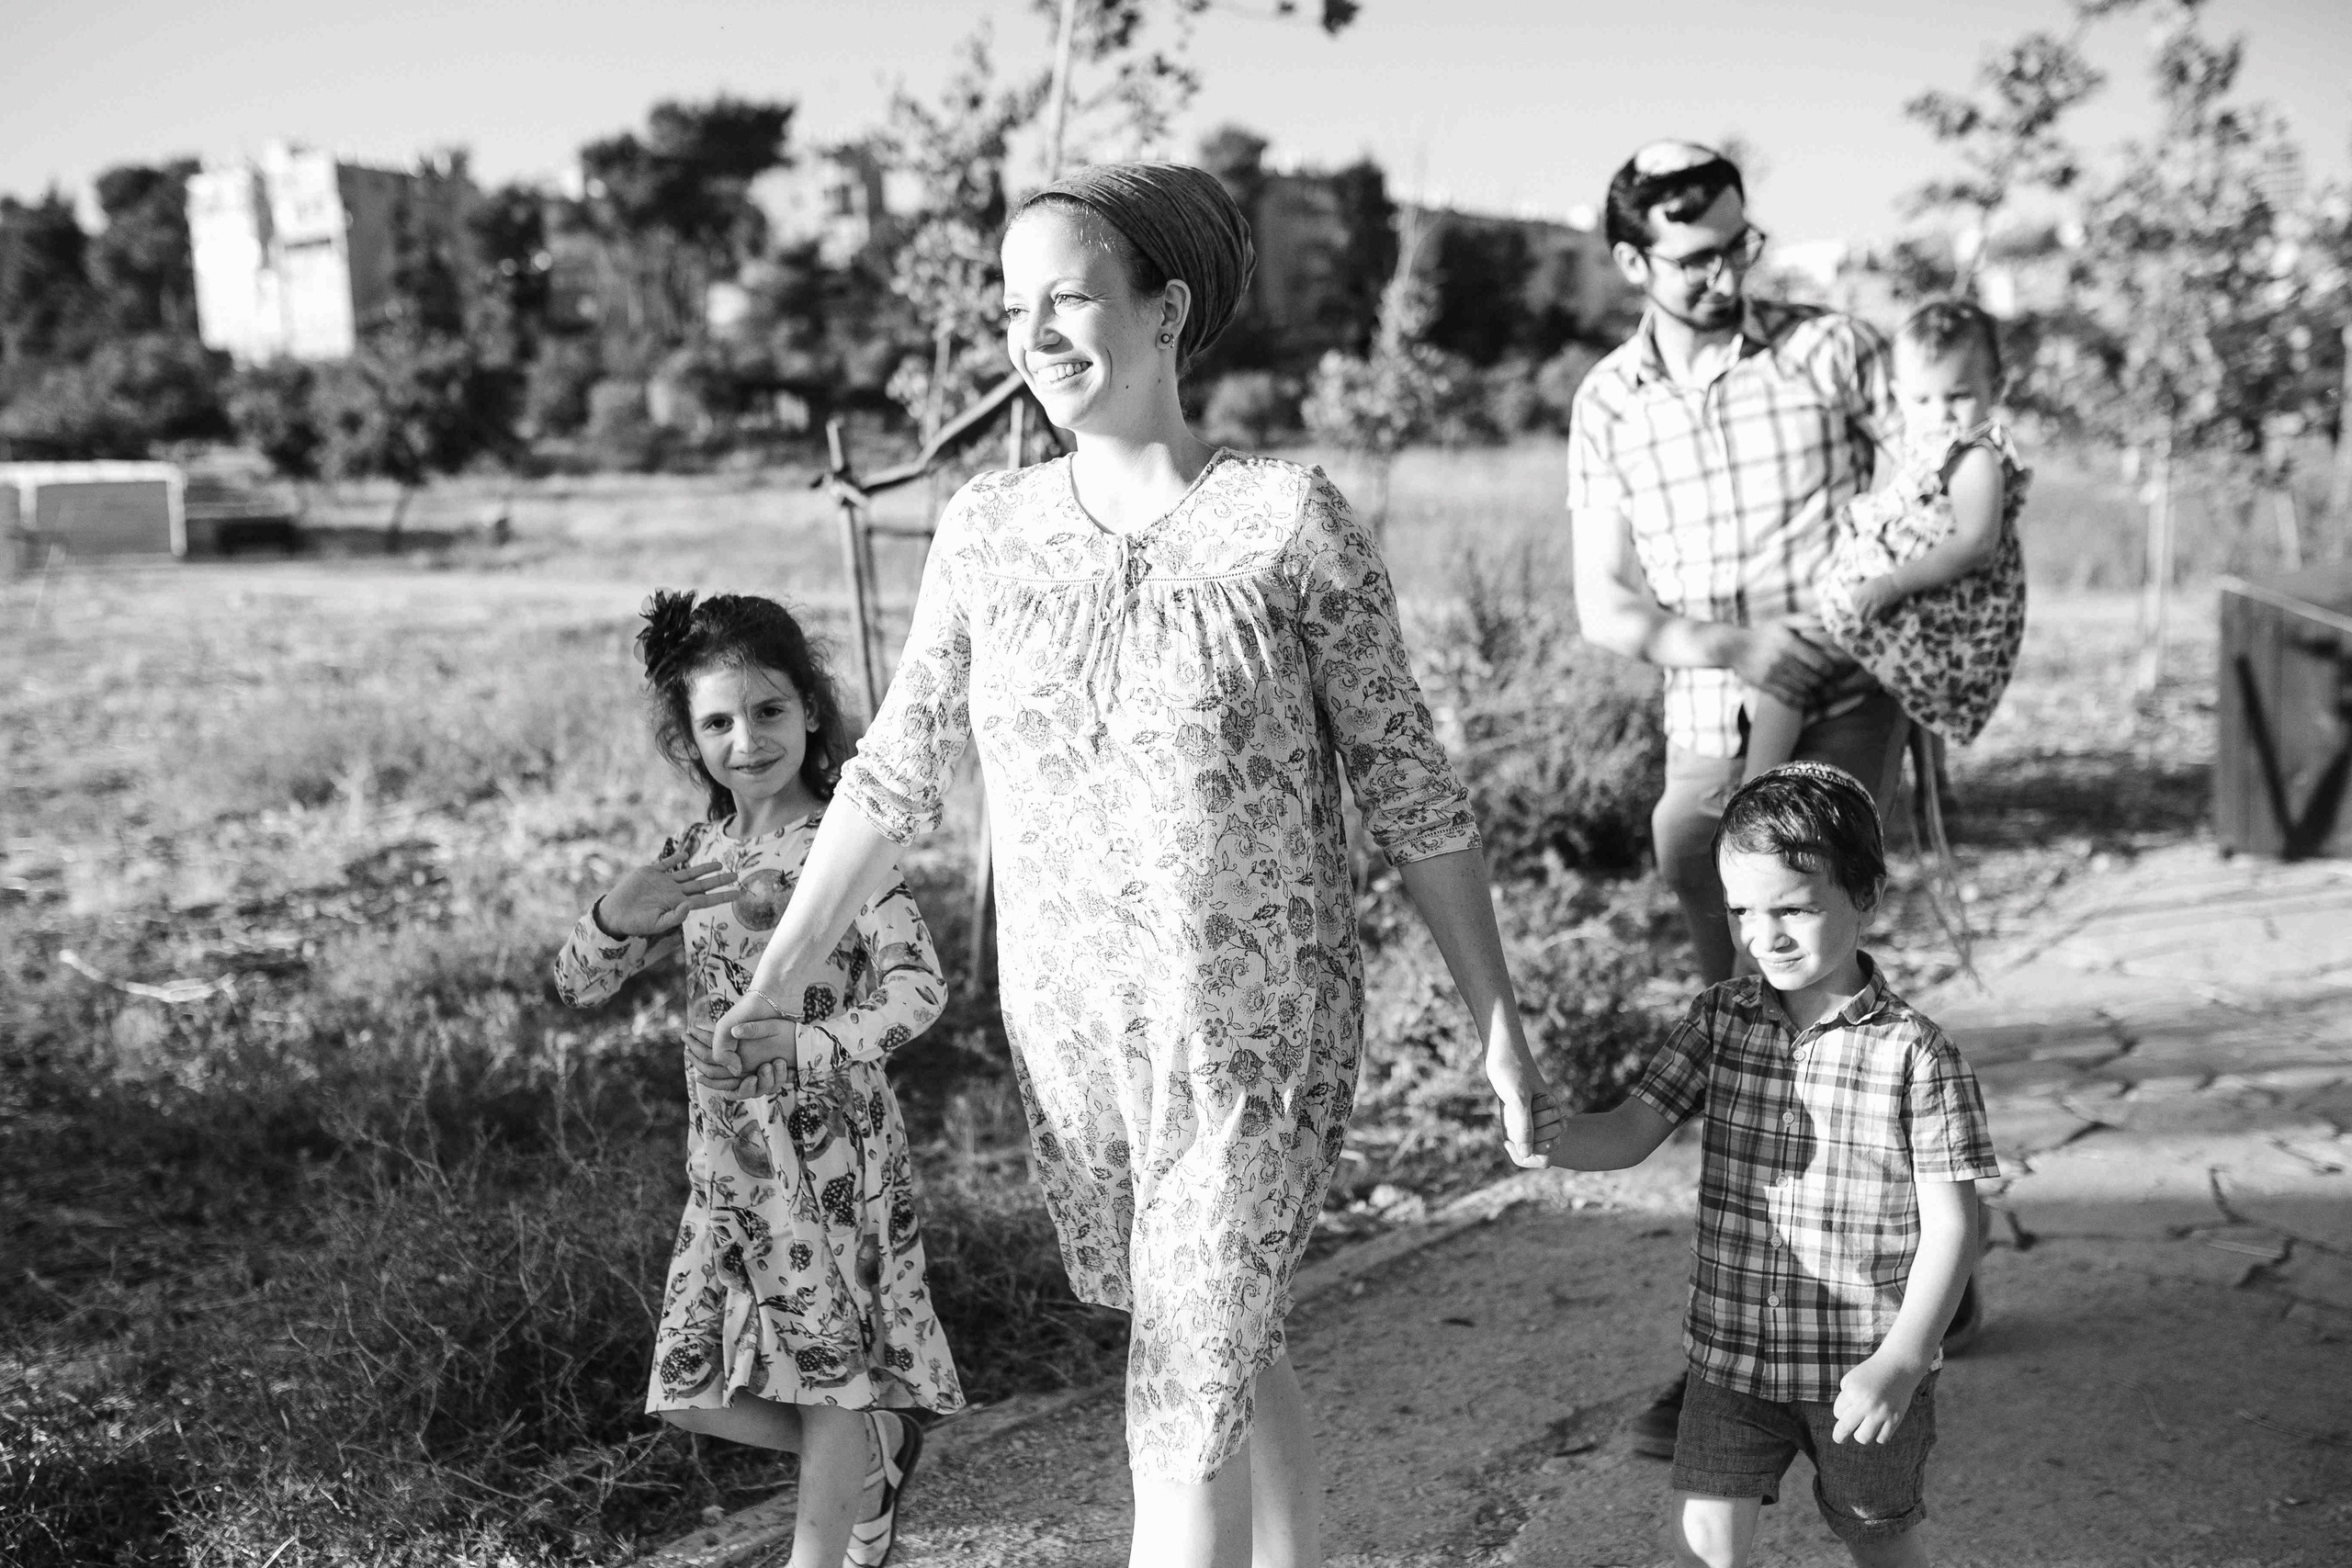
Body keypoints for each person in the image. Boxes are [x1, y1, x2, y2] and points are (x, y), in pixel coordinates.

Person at [693, 162, 1557, 1568]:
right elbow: (895, 771)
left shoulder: (1285, 519)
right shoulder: (988, 530)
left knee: (1176, 1400)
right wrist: (778, 974)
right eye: (1012, 307)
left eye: (1068, 297)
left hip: (1248, 1035)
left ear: (1165, 309)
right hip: (1076, 1042)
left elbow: (1409, 783)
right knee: (1213, 1337)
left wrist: (1498, 1017)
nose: (1035, 334)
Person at [1568, 141, 1983, 1457]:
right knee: (1748, 1027)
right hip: (1710, 717)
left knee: (1797, 1003)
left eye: (1739, 246)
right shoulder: (1607, 399)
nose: (1725, 274)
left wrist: (1894, 621)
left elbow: (1942, 480)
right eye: (1695, 257)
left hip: (1842, 703)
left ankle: (1766, 1368)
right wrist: (1728, 645)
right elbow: (1605, 605)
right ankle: (1900, 1278)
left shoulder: (1831, 350)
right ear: (1631, 260)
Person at [553, 591, 962, 1568]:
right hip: (728, 1165)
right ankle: (876, 1448)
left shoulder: (844, 847)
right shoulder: (698, 857)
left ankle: (834, 1513)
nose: (748, 740)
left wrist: (805, 1043)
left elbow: (919, 990)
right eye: (718, 723)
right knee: (692, 1393)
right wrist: (613, 916)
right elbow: (577, 985)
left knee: (830, 1379)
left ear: (810, 710)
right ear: (689, 743)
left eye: (769, 710)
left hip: (832, 1159)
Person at [1517, 763, 1997, 1568]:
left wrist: (1904, 1359)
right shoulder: (1719, 1020)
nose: (1761, 935)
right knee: (1706, 1538)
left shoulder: (1917, 1055)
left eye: (1794, 909)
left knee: (1879, 1537)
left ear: (1867, 897)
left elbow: (1955, 1225)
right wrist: (1549, 1136)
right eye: (1742, 910)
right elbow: (1631, 1130)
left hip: (1860, 1361)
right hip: (1731, 1358)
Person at [1742, 299, 2030, 782]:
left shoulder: (1975, 457)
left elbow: (1976, 544)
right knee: (1797, 650)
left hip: (1935, 613)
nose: (1940, 414)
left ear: (1995, 389)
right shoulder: (1922, 449)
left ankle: (1752, 791)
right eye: (1922, 400)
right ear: (1899, 396)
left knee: (1790, 660)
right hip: (1919, 605)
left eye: (1958, 396)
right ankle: (1929, 777)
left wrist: (1890, 584)